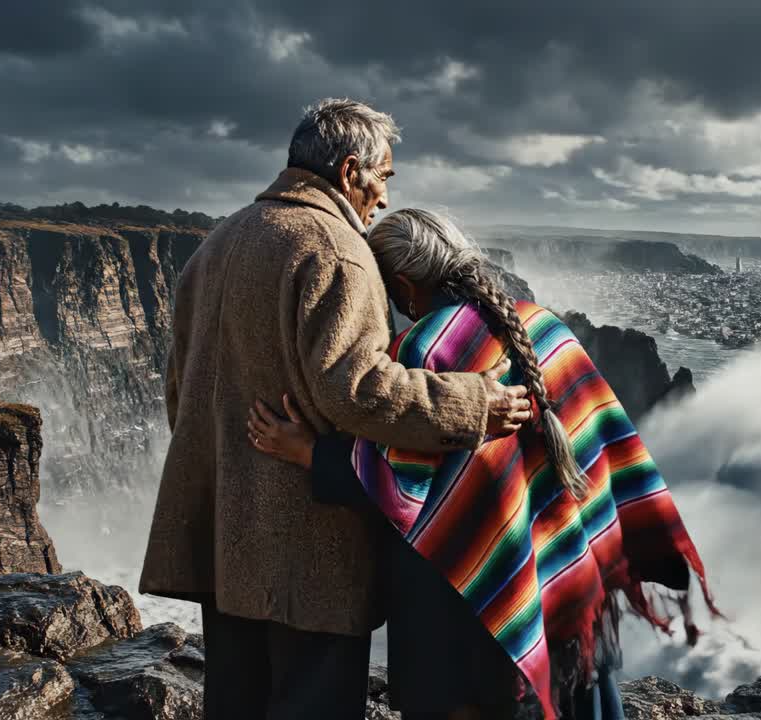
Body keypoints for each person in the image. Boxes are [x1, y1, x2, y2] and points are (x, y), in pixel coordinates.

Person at [139, 100, 533, 720]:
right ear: (351, 170)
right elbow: (359, 390)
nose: (381, 196)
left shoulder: (217, 243)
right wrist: (473, 400)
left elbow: (179, 391)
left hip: (224, 541)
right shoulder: (335, 249)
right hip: (306, 552)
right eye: (384, 177)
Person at [248, 209, 718, 720]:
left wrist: (307, 452)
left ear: (402, 286)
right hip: (569, 586)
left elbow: (393, 481)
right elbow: (606, 440)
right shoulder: (546, 328)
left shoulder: (422, 352)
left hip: (468, 621)